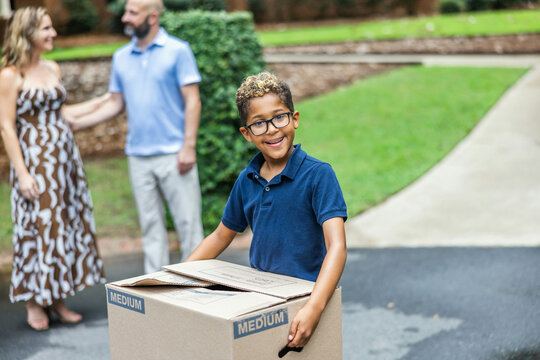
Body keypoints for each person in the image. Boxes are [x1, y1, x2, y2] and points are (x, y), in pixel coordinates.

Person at [186, 72, 348, 349]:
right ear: (247, 134)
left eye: (279, 117)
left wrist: (314, 307)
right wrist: (178, 277)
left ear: (294, 118)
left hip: (306, 298)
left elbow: (337, 246)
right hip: (261, 301)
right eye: (259, 124)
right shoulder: (246, 180)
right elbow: (220, 236)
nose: (272, 129)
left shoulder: (319, 175)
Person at [68, 0, 204, 274]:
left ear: (152, 16)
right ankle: (156, 290)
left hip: (174, 153)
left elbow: (193, 101)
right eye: (126, 12)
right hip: (138, 156)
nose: (125, 18)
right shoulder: (121, 57)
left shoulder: (178, 51)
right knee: (151, 228)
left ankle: (198, 287)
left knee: (188, 225)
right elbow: (115, 104)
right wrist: (77, 123)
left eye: (132, 13)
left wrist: (188, 146)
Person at [0, 7, 105, 331]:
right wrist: (23, 173)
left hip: (64, 163)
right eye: (46, 28)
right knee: (37, 230)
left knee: (62, 229)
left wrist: (108, 101)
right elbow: (5, 126)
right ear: (28, 32)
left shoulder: (52, 67)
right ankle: (35, 302)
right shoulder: (10, 75)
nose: (53, 34)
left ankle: (56, 298)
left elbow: (64, 114)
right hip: (34, 164)